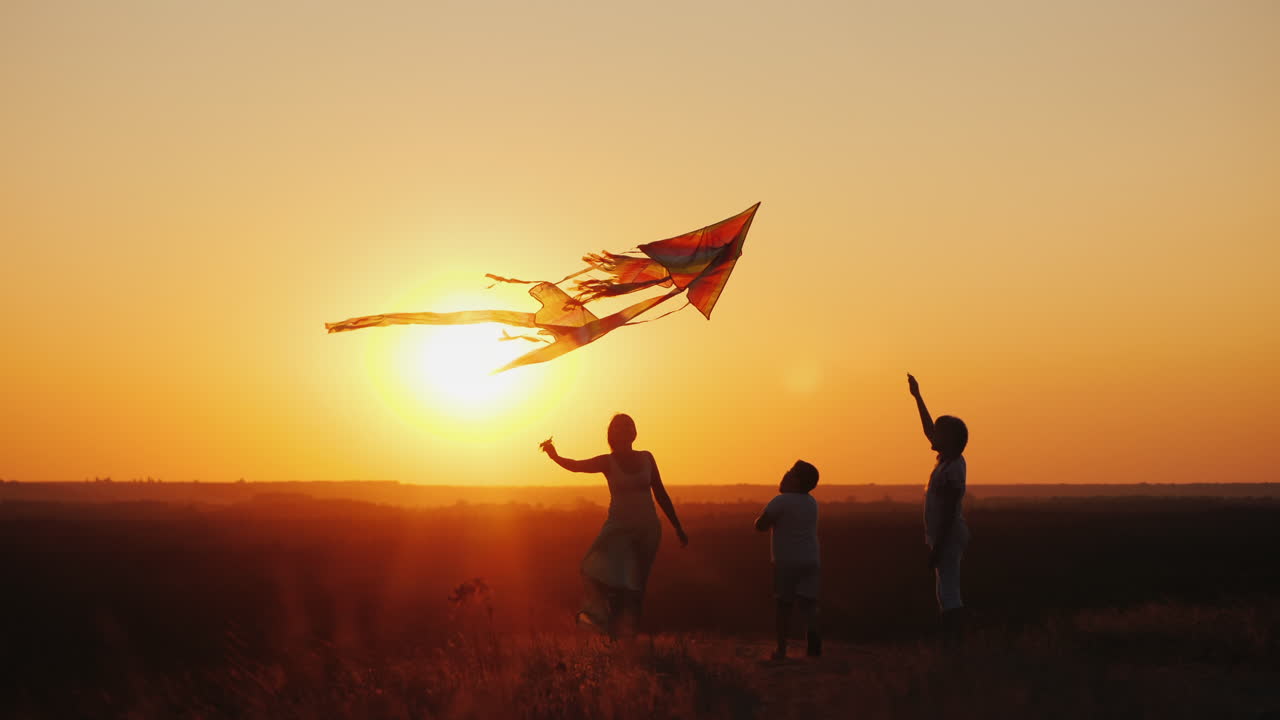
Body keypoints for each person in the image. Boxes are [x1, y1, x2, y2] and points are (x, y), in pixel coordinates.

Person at [540, 413, 688, 637]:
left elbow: (660, 493)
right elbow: (577, 466)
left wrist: (677, 526)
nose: (625, 429)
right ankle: (604, 619)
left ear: (635, 432)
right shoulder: (606, 461)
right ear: (611, 434)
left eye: (629, 425)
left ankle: (628, 636)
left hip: (648, 530)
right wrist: (554, 456)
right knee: (601, 574)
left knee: (637, 586)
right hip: (617, 530)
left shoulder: (647, 457)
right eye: (619, 426)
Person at [907, 373, 970, 626]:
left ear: (951, 439)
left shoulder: (952, 469)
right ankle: (952, 644)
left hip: (948, 536)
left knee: (949, 594)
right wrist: (917, 397)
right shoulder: (948, 463)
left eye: (940, 432)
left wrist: (939, 546)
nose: (934, 435)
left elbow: (949, 511)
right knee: (945, 591)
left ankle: (955, 642)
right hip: (944, 536)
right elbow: (928, 429)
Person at [755, 460, 822, 660]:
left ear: (797, 481)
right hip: (811, 558)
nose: (784, 475)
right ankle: (814, 642)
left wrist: (759, 520)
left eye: (790, 473)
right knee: (809, 604)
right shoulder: (811, 502)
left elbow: (761, 525)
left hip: (786, 561)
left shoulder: (781, 501)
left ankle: (781, 649)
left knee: (784, 605)